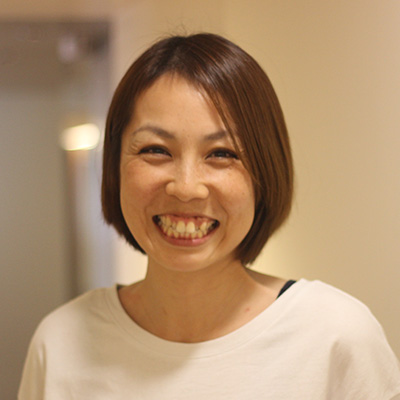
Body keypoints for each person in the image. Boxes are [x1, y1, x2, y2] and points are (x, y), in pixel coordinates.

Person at [19, 33, 400, 399]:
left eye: (222, 154)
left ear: (265, 174)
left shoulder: (335, 337)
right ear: (115, 168)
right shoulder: (61, 341)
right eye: (156, 149)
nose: (186, 187)